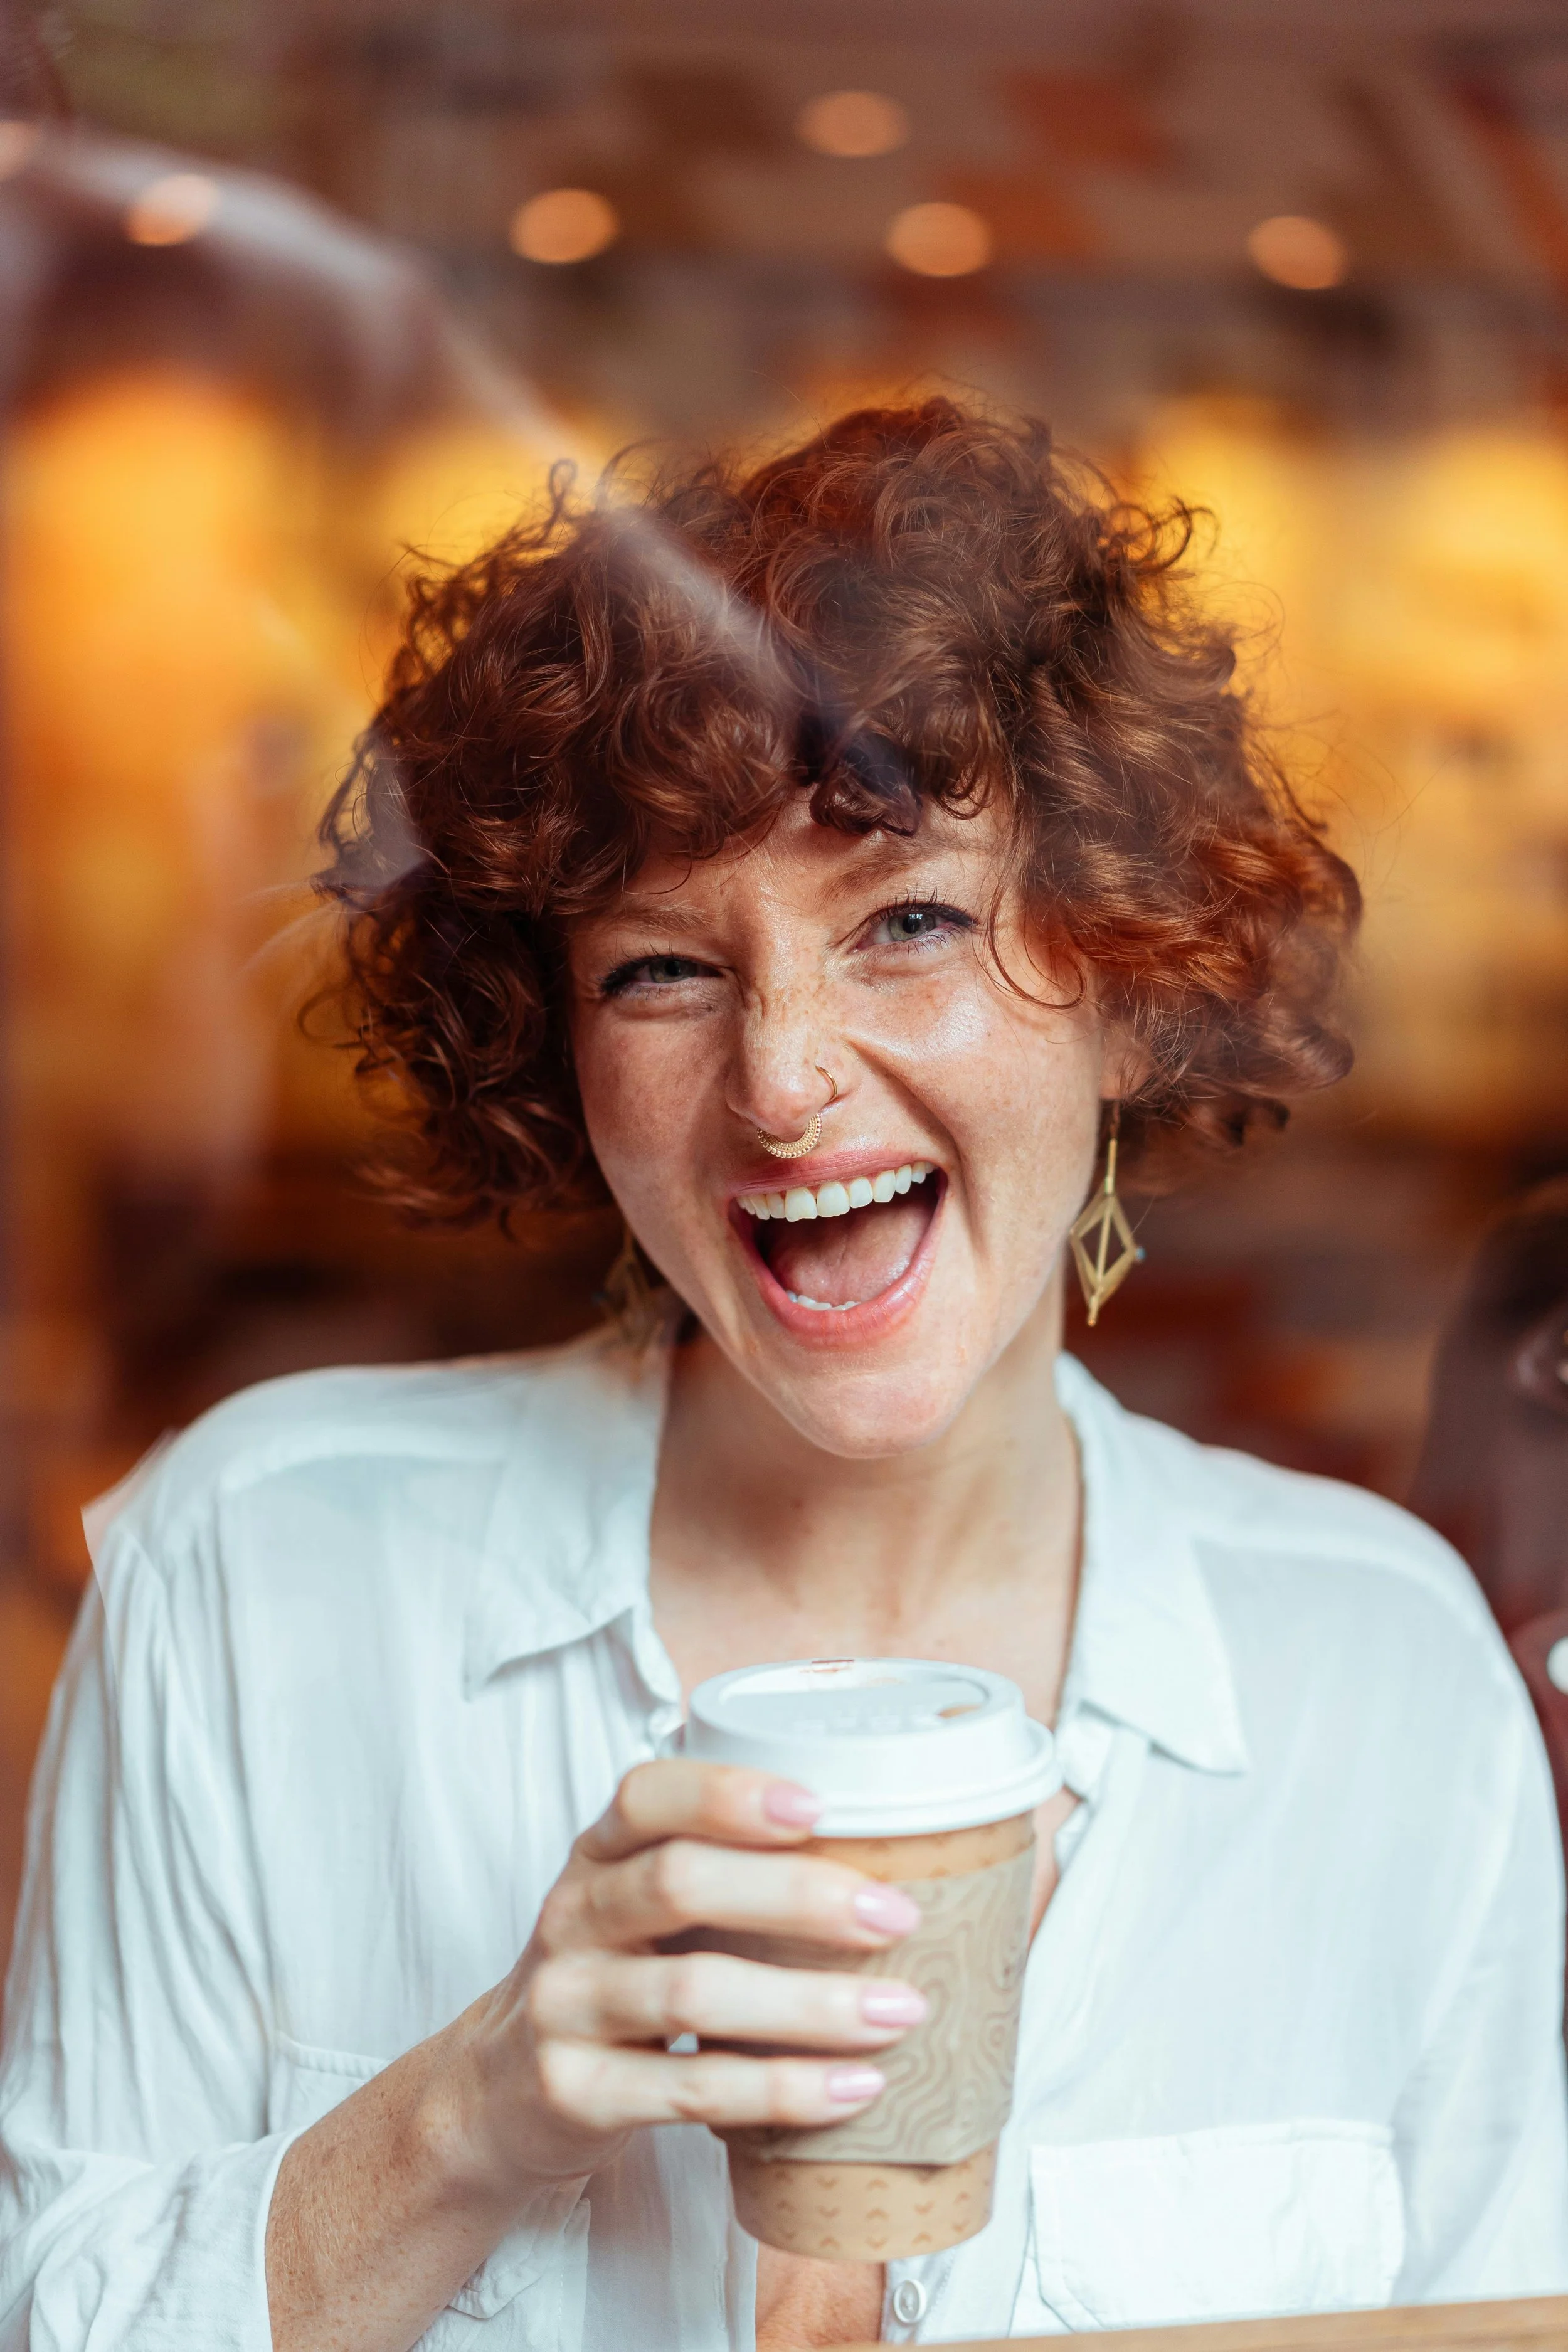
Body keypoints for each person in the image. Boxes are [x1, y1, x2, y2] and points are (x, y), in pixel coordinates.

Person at [2, 399, 1564, 2352]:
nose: (782, 1077)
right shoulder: (258, 1574)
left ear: (1126, 979)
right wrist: (475, 2110)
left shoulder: (1377, 1676)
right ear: (554, 1047)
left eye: (906, 921)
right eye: (663, 968)